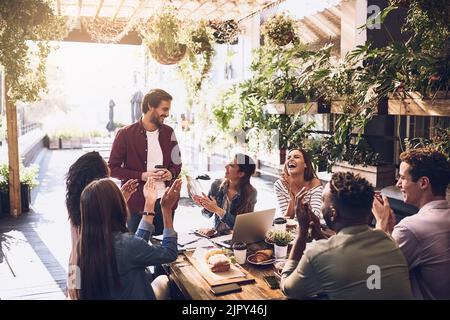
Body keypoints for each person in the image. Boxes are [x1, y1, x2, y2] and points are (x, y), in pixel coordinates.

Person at [280, 171, 413, 300]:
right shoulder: (390, 242)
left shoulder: (318, 254)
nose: (320, 207)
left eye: (322, 201)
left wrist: (302, 233)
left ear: (333, 214)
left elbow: (288, 288)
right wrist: (319, 235)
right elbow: (352, 257)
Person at [69, 177, 181, 300]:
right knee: (164, 279)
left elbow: (134, 248)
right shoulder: (126, 245)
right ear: (116, 206)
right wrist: (166, 209)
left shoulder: (82, 245)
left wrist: (149, 204)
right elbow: (169, 253)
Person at [372, 148, 450, 299]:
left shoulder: (410, 229)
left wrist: (381, 226)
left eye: (402, 178)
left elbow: (374, 281)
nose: (398, 184)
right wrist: (390, 233)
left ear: (423, 183)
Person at [109, 89, 182, 235]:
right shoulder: (125, 134)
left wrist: (170, 173)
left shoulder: (169, 132)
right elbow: (112, 168)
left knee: (165, 248)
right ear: (150, 106)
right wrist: (142, 175)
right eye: (164, 109)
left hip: (165, 203)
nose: (167, 114)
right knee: (137, 250)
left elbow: (177, 163)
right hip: (137, 206)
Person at [65, 151, 138, 262]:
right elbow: (115, 230)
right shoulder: (99, 200)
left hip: (79, 260)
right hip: (99, 262)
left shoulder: (74, 200)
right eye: (106, 166)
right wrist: (118, 200)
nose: (108, 167)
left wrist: (120, 198)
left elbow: (76, 242)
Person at [194, 154, 257, 234]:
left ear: (241, 174)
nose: (226, 166)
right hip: (216, 236)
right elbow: (206, 215)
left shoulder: (251, 193)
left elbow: (241, 226)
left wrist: (218, 210)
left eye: (231, 165)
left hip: (235, 238)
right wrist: (206, 206)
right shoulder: (216, 185)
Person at [273, 148, 323, 223]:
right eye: (288, 158)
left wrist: (295, 191)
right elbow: (286, 220)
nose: (291, 159)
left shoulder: (315, 184)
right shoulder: (280, 185)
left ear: (305, 164)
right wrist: (292, 198)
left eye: (296, 157)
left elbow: (314, 218)